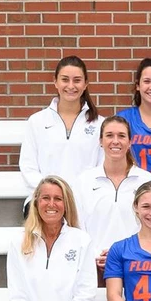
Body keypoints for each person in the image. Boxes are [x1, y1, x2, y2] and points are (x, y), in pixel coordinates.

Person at [74, 115, 151, 275]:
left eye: (121, 136)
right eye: (109, 135)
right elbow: (77, 227)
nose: (115, 141)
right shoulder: (83, 181)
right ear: (100, 141)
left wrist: (126, 256)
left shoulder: (147, 180)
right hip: (93, 267)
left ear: (130, 141)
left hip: (137, 266)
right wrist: (95, 256)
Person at [19, 56, 103, 196]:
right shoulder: (37, 121)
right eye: (65, 79)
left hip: (85, 199)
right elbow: (28, 167)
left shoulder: (99, 124)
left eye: (77, 80)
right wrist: (52, 193)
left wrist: (81, 195)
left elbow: (102, 168)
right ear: (55, 82)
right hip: (44, 199)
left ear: (85, 84)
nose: (71, 86)